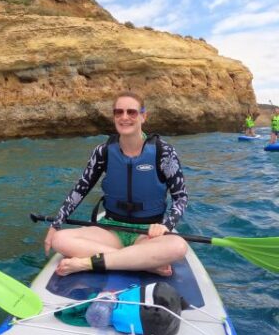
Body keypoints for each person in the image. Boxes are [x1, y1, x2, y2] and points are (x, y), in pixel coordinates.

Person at [44, 91, 189, 277]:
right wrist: (55, 224)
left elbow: (181, 197)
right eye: (118, 112)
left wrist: (167, 225)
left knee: (178, 247)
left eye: (132, 112)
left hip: (148, 233)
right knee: (59, 239)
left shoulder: (164, 152)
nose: (124, 117)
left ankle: (88, 263)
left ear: (143, 116)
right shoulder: (102, 152)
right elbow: (80, 189)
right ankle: (142, 263)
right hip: (111, 229)